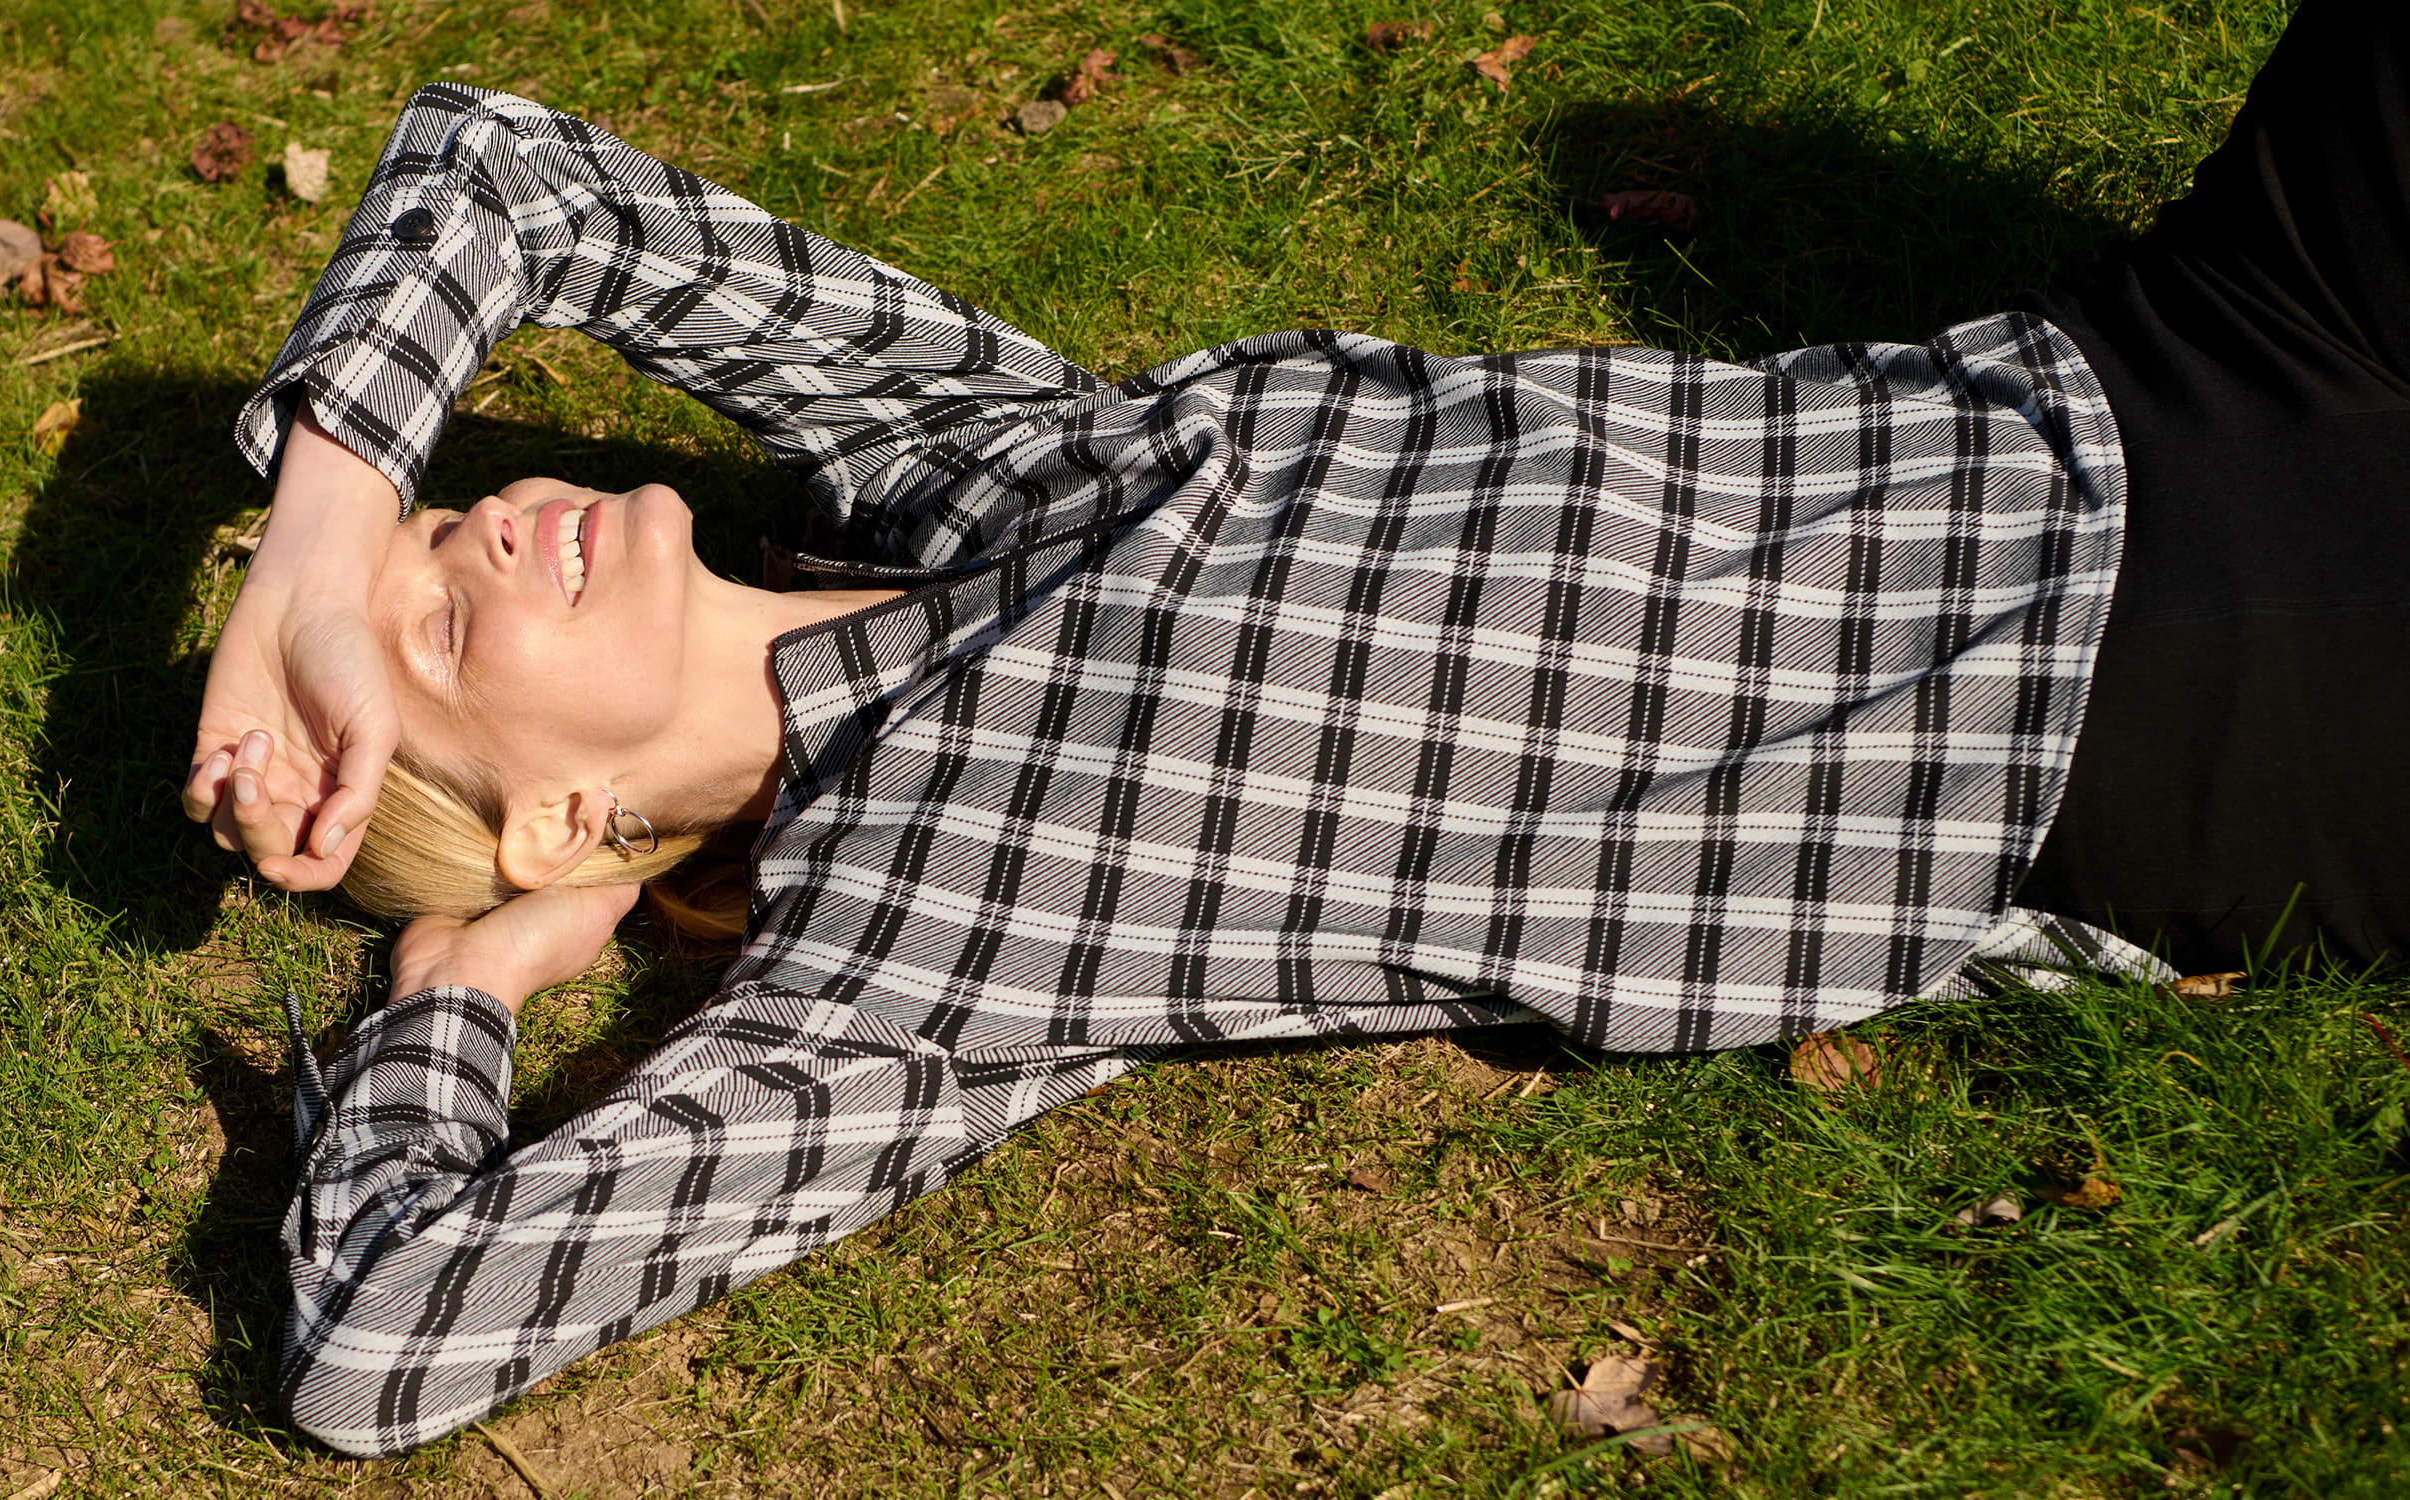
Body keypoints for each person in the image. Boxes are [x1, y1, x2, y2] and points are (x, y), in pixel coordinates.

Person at [189, 2, 2405, 1458]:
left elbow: (507, 170)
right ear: (570, 819)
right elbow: (381, 1335)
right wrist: (466, 984)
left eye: (442, 519)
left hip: (2136, 374)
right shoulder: (905, 963)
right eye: (437, 631)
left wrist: (323, 530)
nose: (475, 536)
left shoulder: (989, 456)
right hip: (2133, 706)